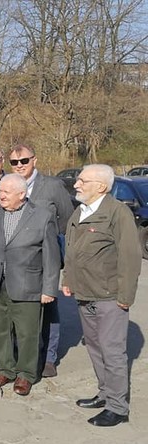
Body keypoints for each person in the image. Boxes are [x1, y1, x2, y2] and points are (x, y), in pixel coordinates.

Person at [62, 164, 141, 427]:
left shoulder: (117, 213)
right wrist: (68, 279)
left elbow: (130, 257)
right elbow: (71, 251)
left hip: (110, 296)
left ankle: (118, 408)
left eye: (82, 181)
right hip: (85, 293)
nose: (76, 184)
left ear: (101, 186)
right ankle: (105, 394)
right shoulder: (80, 211)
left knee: (112, 352)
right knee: (95, 348)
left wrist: (125, 296)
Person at [0, 174, 60, 396]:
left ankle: (26, 374)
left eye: (6, 192)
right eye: (0, 191)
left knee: (28, 333)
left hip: (27, 285)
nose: (1, 195)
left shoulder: (42, 216)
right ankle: (6, 369)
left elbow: (51, 256)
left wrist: (49, 289)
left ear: (22, 194)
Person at [8, 144, 74, 378]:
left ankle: (49, 358)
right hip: (18, 262)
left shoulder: (52, 186)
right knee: (20, 310)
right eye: (14, 162)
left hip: (46, 259)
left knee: (48, 309)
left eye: (24, 161)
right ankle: (23, 354)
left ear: (34, 160)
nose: (19, 166)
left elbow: (67, 221)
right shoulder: (8, 185)